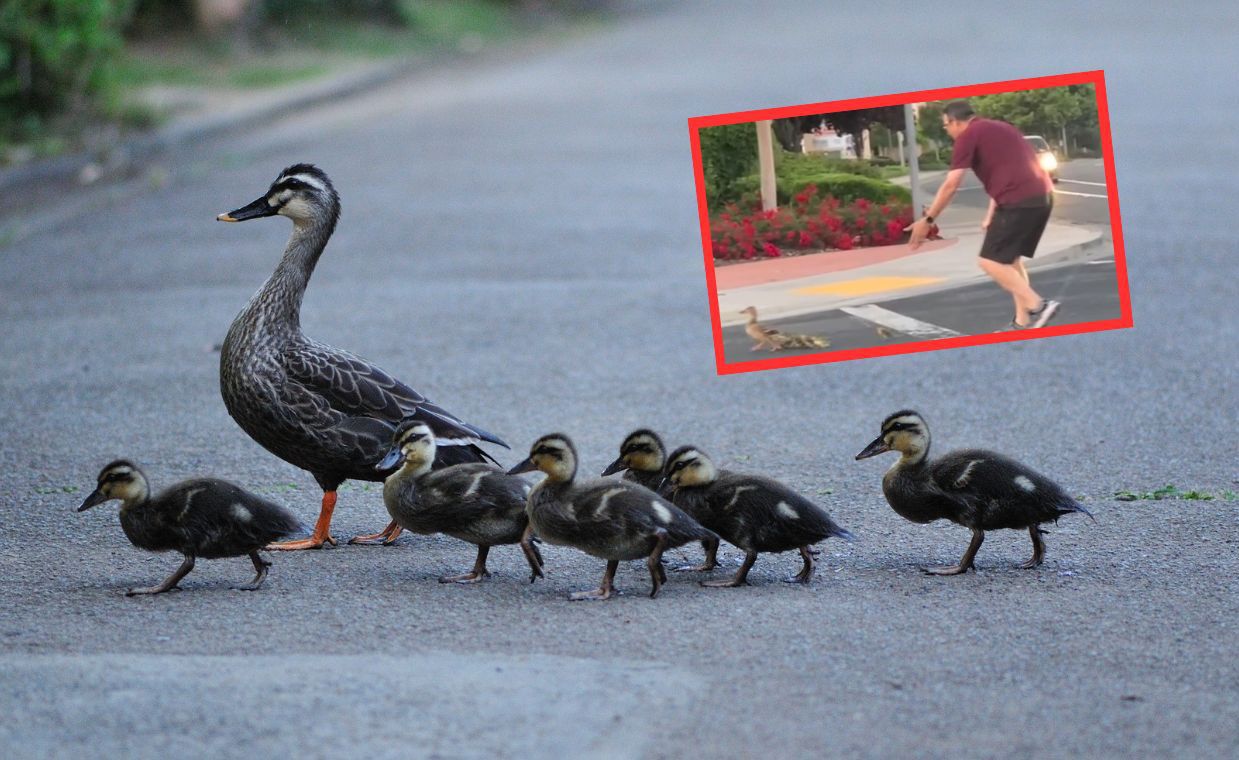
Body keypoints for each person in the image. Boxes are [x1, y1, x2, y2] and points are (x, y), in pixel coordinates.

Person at [905, 100, 1060, 331]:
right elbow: (1008, 170)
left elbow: (951, 184)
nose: (947, 131)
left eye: (946, 126)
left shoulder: (967, 136)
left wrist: (928, 220)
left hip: (1018, 201)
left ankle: (1039, 306)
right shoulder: (1002, 128)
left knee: (989, 261)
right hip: (1042, 197)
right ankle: (1022, 322)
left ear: (956, 122)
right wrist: (991, 213)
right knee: (1010, 260)